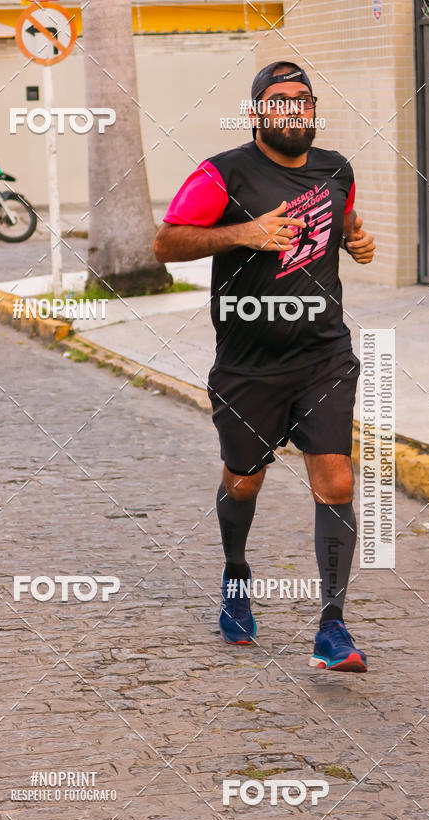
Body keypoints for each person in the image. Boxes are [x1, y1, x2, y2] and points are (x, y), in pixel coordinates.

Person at [154, 61, 375, 672]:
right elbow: (167, 242)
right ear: (256, 113)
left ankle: (332, 628)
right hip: (248, 366)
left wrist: (357, 240)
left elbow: (345, 223)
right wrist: (242, 234)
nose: (293, 109)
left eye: (303, 99)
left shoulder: (337, 171)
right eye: (278, 100)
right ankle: (235, 575)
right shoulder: (222, 173)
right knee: (243, 479)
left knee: (336, 483)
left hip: (323, 355)